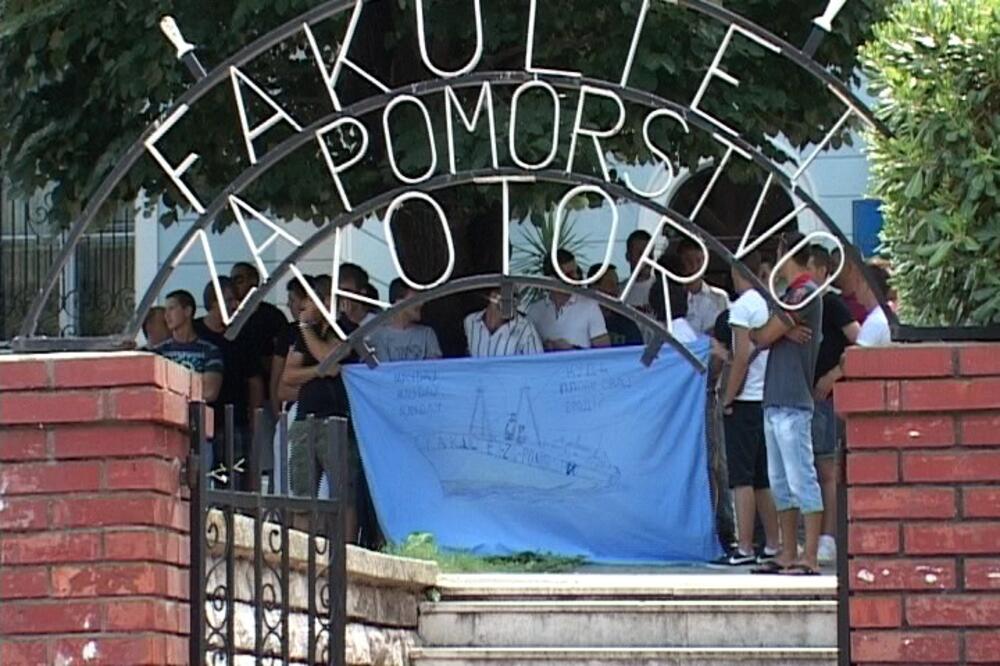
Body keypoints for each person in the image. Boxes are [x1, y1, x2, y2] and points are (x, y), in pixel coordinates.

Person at [749, 232, 825, 575]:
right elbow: (761, 334)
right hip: (778, 399)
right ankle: (788, 552)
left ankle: (807, 555)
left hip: (792, 400)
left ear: (785, 254)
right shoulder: (790, 297)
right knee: (781, 481)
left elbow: (762, 335)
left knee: (801, 479)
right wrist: (782, 331)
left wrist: (777, 331)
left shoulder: (803, 294)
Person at [715, 253, 781, 566]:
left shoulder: (741, 308)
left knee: (741, 478)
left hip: (744, 400)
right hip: (765, 397)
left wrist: (728, 397)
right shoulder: (769, 303)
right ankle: (773, 542)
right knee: (761, 478)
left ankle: (743, 546)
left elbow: (741, 356)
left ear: (737, 274)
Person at [807, 245, 860, 564]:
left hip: (826, 400)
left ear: (822, 270)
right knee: (814, 468)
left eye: (808, 268)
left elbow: (860, 339)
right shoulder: (806, 304)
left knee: (826, 469)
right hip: (809, 399)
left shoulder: (832, 303)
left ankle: (828, 537)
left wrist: (834, 375)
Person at [194, 278, 265, 487]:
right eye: (229, 300)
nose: (235, 305)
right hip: (201, 419)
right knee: (201, 482)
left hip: (236, 420)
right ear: (213, 302)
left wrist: (255, 419)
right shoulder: (195, 331)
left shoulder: (243, 334)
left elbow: (254, 380)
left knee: (235, 483)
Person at [230, 262, 290, 404]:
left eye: (238, 280)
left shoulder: (273, 317)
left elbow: (283, 357)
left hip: (267, 393)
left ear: (253, 282)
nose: (233, 286)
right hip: (234, 395)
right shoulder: (229, 317)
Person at [527, 249, 610, 350]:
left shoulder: (590, 306)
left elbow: (604, 353)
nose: (576, 277)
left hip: (581, 365)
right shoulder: (535, 310)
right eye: (569, 275)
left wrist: (572, 349)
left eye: (577, 271)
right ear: (552, 279)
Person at [154, 290, 223, 403]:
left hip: (197, 418)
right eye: (165, 310)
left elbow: (209, 392)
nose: (166, 315)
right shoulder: (159, 352)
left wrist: (170, 386)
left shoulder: (210, 351)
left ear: (187, 311)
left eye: (172, 308)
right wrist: (195, 384)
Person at [366, 279, 443, 362]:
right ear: (398, 302)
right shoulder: (377, 337)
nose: (421, 303)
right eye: (416, 299)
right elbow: (381, 371)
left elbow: (435, 369)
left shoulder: (427, 334)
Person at [464, 287, 543, 357]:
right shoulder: (471, 322)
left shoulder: (525, 329)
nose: (514, 303)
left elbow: (537, 364)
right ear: (493, 296)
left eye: (515, 298)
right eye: (509, 297)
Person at [677, 238, 730, 335]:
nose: (695, 267)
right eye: (689, 261)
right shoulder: (673, 298)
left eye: (699, 261)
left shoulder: (720, 297)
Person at [588, 264, 642, 346]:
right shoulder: (581, 319)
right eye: (610, 284)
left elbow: (637, 352)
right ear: (594, 288)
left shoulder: (626, 322)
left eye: (617, 284)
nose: (616, 290)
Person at [856, 262, 892, 347]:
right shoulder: (886, 314)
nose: (855, 288)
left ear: (866, 286)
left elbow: (855, 357)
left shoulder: (874, 322)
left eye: (858, 282)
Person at [831, 248, 868, 323]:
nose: (830, 270)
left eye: (834, 265)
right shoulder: (833, 302)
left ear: (850, 267)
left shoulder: (866, 304)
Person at [622, 230, 654, 312]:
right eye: (641, 254)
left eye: (650, 254)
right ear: (628, 256)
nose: (646, 259)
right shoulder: (619, 291)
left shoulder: (662, 290)